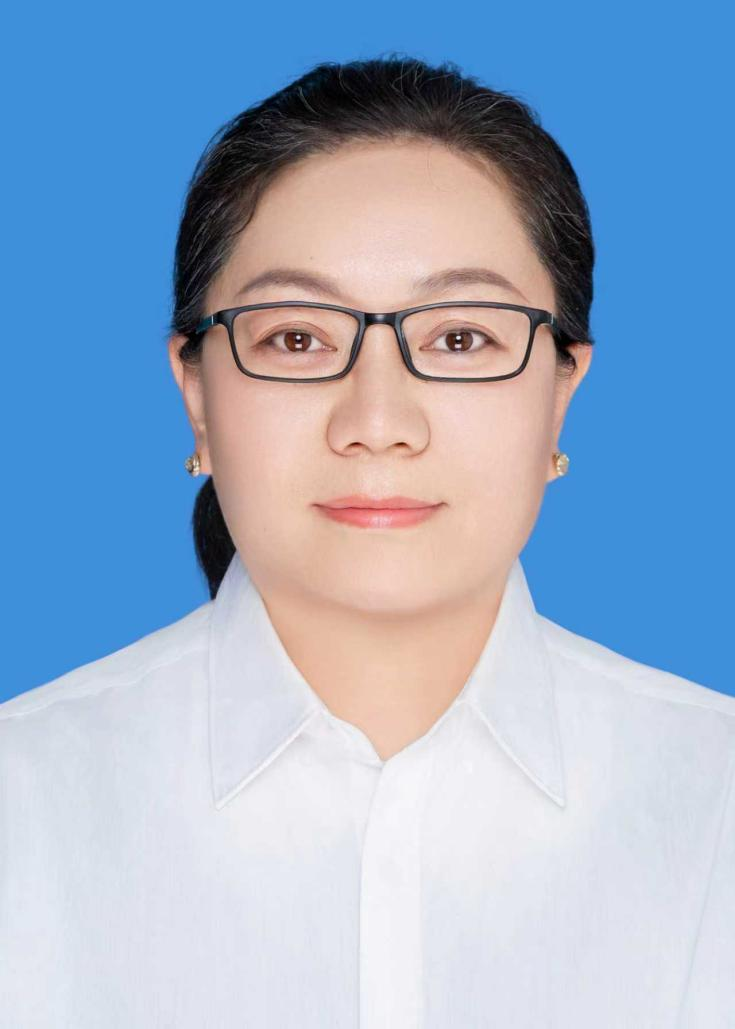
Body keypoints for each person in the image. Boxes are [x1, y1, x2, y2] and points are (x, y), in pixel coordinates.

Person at [1, 55, 733, 1028]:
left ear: (561, 391)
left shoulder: (715, 797)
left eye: (460, 339)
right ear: (197, 395)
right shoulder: (23, 804)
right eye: (296, 338)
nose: (378, 421)